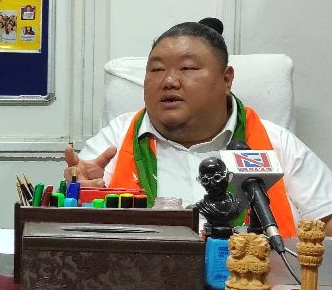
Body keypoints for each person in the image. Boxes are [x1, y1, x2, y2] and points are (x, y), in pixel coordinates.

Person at [66, 18, 332, 237]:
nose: (169, 81)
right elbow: (72, 224)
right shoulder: (116, 140)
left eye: (188, 68)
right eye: (156, 70)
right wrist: (80, 194)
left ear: (226, 79)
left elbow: (327, 222)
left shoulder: (276, 142)